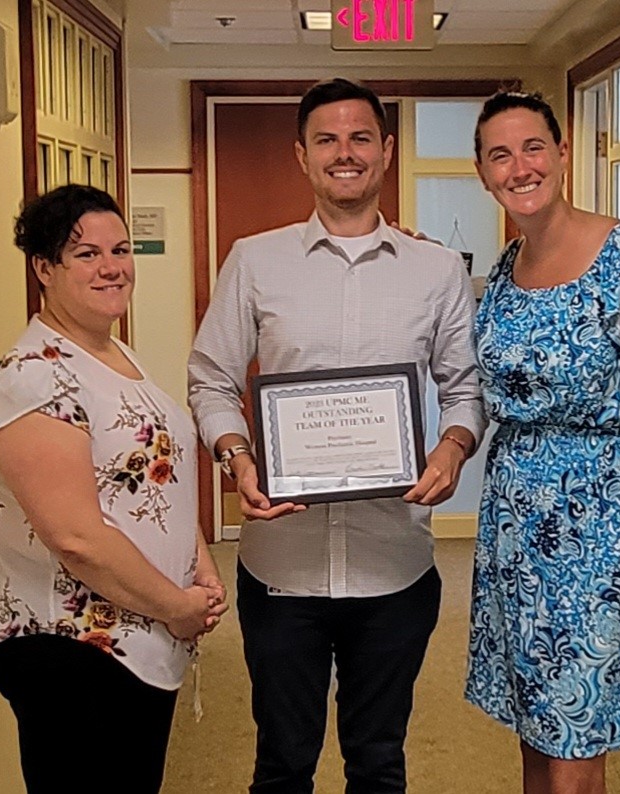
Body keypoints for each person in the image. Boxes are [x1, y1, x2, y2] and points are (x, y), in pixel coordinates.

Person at [187, 77, 485, 793]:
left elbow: (465, 389)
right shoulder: (254, 260)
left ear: (385, 151)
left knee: (378, 764)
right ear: (301, 155)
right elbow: (209, 378)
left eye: (359, 138)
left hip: (394, 567)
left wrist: (451, 447)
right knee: (282, 765)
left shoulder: (435, 269)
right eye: (326, 139)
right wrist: (236, 456)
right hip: (280, 568)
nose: (343, 153)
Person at [465, 91, 620, 793]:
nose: (519, 167)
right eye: (499, 155)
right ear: (482, 172)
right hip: (514, 518)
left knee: (576, 739)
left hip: (600, 515)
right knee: (536, 729)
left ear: (562, 152)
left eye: (532, 147)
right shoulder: (505, 272)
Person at [0, 184, 228, 794]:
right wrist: (177, 606)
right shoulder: (33, 378)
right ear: (43, 268)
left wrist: (201, 570)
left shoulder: (111, 353)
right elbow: (76, 537)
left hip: (138, 636)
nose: (112, 267)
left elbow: (151, 479)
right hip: (71, 650)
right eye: (86, 254)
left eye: (121, 249)